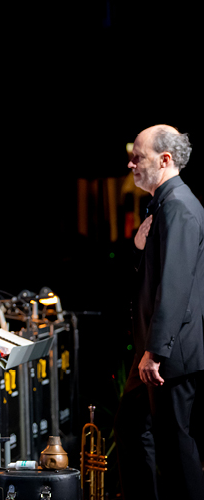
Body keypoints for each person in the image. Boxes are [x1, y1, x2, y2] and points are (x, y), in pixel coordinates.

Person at [115, 124, 204, 499]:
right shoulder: (166, 204)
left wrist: (156, 352)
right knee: (132, 428)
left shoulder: (179, 205)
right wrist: (138, 247)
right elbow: (154, 275)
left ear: (165, 159)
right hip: (154, 349)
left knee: (175, 447)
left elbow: (175, 286)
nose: (131, 163)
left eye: (139, 156)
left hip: (169, 353)